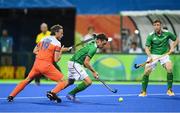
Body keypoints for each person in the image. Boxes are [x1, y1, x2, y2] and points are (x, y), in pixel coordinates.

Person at [7, 24, 68, 103]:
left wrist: (44, 54)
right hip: (46, 65)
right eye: (61, 33)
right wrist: (60, 52)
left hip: (37, 63)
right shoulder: (57, 43)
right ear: (56, 32)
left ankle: (11, 96)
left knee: (27, 80)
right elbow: (56, 60)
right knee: (63, 81)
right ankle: (52, 92)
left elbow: (35, 51)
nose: (62, 35)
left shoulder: (44, 38)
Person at [139, 19, 179, 97]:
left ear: (160, 26)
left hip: (164, 55)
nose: (156, 27)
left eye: (158, 25)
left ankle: (169, 90)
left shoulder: (167, 33)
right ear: (153, 26)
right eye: (154, 25)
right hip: (153, 55)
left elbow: (176, 39)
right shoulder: (150, 35)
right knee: (146, 71)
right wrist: (150, 56)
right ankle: (143, 91)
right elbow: (147, 48)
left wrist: (172, 47)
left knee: (169, 68)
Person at [65, 33, 108, 102]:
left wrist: (95, 37)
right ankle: (71, 94)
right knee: (88, 82)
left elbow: (85, 64)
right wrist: (94, 72)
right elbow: (86, 63)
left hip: (73, 62)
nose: (103, 46)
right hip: (75, 63)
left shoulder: (93, 43)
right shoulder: (93, 48)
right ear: (99, 41)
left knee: (70, 82)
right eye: (103, 44)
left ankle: (53, 92)